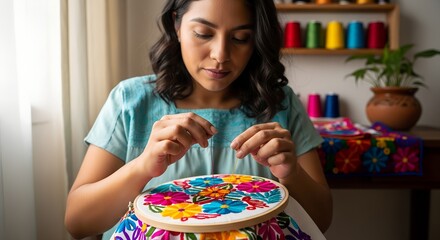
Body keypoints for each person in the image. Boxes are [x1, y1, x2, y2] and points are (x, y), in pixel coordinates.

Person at [64, 0, 333, 239]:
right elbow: (78, 223)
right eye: (203, 33)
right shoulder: (130, 101)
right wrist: (142, 167)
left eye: (240, 38)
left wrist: (292, 175)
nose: (220, 55)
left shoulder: (281, 103)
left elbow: (321, 221)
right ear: (177, 25)